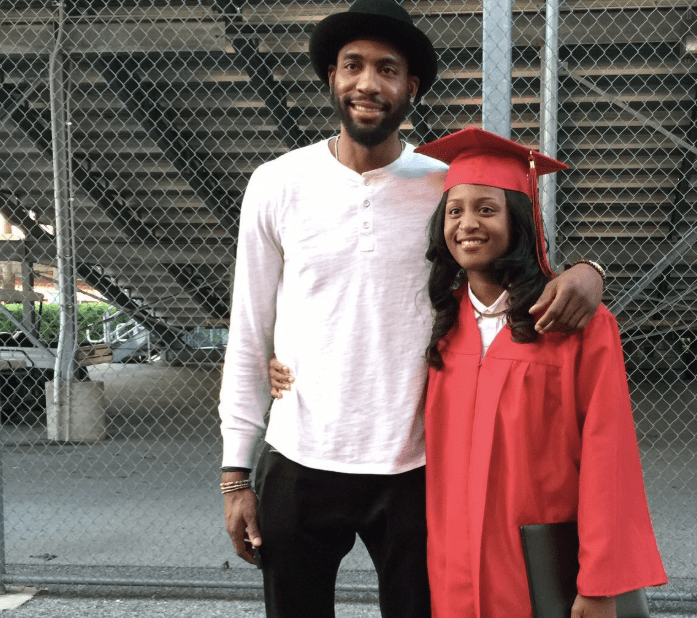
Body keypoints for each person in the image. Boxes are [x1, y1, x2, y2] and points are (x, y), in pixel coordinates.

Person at [218, 1, 605, 616]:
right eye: (353, 66)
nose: (368, 83)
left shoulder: (442, 183)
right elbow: (247, 332)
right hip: (299, 456)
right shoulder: (276, 183)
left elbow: (519, 264)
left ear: (411, 87)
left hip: (417, 462)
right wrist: (235, 475)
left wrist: (591, 271)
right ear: (331, 78)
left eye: (387, 69)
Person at [418, 128, 667, 617]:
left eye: (486, 209)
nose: (467, 223)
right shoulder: (441, 324)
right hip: (454, 568)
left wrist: (599, 584)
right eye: (455, 210)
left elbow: (608, 459)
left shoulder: (577, 325)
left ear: (519, 220)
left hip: (538, 571)